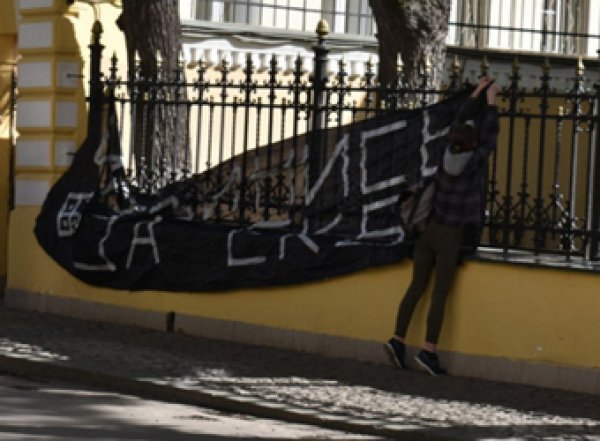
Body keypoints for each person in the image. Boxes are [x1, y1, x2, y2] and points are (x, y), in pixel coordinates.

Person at [384, 76, 500, 376]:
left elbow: (459, 122)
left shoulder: (443, 155)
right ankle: (428, 351)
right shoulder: (474, 161)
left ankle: (397, 340)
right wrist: (492, 104)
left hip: (428, 230)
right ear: (471, 144)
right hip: (451, 235)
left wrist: (474, 95)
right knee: (439, 295)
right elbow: (491, 137)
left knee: (416, 287)